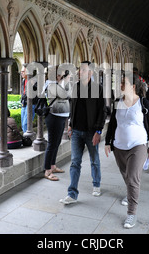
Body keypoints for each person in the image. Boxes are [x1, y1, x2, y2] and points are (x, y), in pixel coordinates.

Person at [105, 72, 149, 229]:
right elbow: (113, 124)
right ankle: (130, 194)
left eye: (123, 83)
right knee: (127, 176)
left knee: (133, 178)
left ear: (133, 86)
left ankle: (131, 214)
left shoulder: (143, 103)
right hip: (119, 146)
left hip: (138, 145)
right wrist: (108, 142)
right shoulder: (118, 102)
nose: (120, 85)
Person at [59, 61, 107, 204]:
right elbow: (73, 107)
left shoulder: (97, 89)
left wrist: (98, 131)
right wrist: (70, 125)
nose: (81, 72)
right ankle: (72, 193)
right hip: (77, 131)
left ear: (91, 73)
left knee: (94, 160)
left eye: (84, 70)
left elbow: (102, 111)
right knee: (75, 162)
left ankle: (96, 184)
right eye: (80, 70)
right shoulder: (75, 87)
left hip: (91, 132)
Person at [43, 66, 72, 181]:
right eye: (60, 75)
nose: (62, 77)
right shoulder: (51, 85)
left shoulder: (58, 84)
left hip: (60, 117)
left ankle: (53, 166)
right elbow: (65, 95)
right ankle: (47, 170)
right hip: (54, 117)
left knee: (57, 142)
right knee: (52, 144)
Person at [20, 65, 36, 133]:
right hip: (24, 104)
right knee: (23, 124)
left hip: (31, 104)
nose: (22, 73)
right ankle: (26, 139)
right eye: (21, 71)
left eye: (23, 71)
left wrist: (34, 85)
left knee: (26, 124)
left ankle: (28, 139)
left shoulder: (33, 80)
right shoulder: (23, 80)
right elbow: (23, 92)